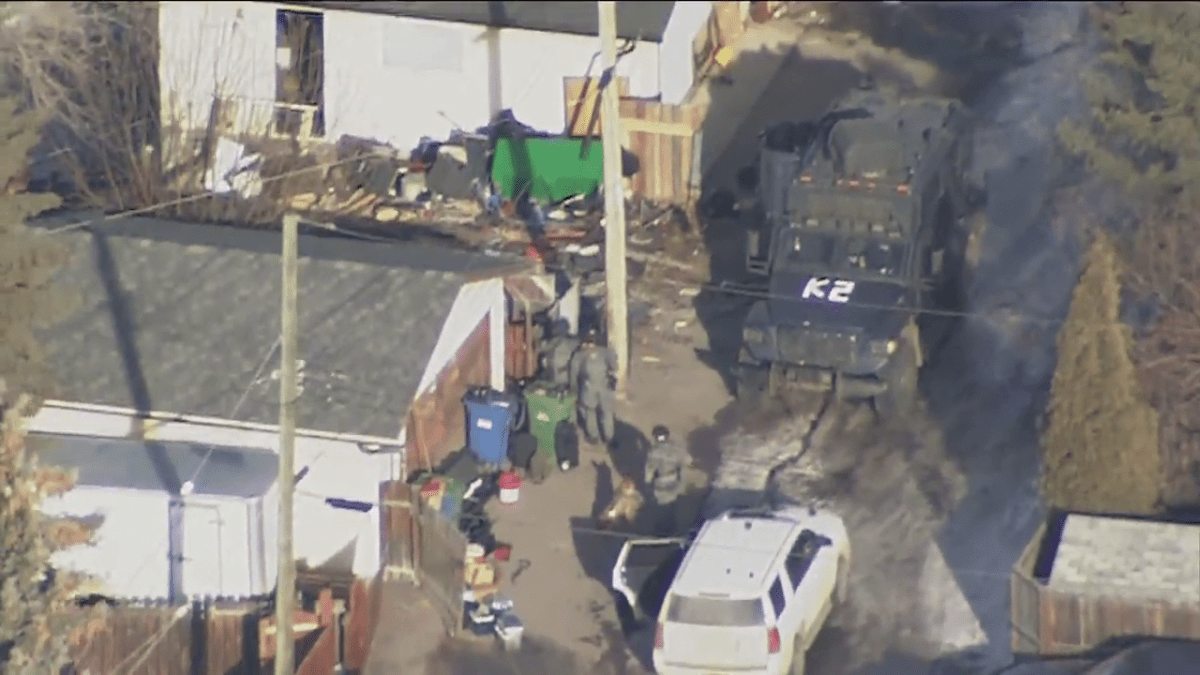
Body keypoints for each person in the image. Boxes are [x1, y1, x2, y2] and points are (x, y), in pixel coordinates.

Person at [569, 327, 617, 445]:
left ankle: (593, 436)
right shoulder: (606, 352)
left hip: (588, 386)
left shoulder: (580, 354)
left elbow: (574, 373)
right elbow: (615, 367)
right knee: (607, 412)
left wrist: (573, 388)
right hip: (605, 385)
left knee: (589, 411)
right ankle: (609, 437)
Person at [644, 424, 688, 536]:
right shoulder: (676, 449)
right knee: (673, 506)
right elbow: (686, 461)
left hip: (661, 484)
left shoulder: (654, 452)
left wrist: (647, 482)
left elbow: (649, 471)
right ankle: (674, 528)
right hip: (674, 481)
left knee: (662, 508)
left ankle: (662, 531)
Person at [540, 319, 580, 391]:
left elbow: (542, 348)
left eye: (556, 327)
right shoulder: (572, 341)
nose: (553, 329)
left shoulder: (571, 341)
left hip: (564, 375)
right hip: (555, 375)